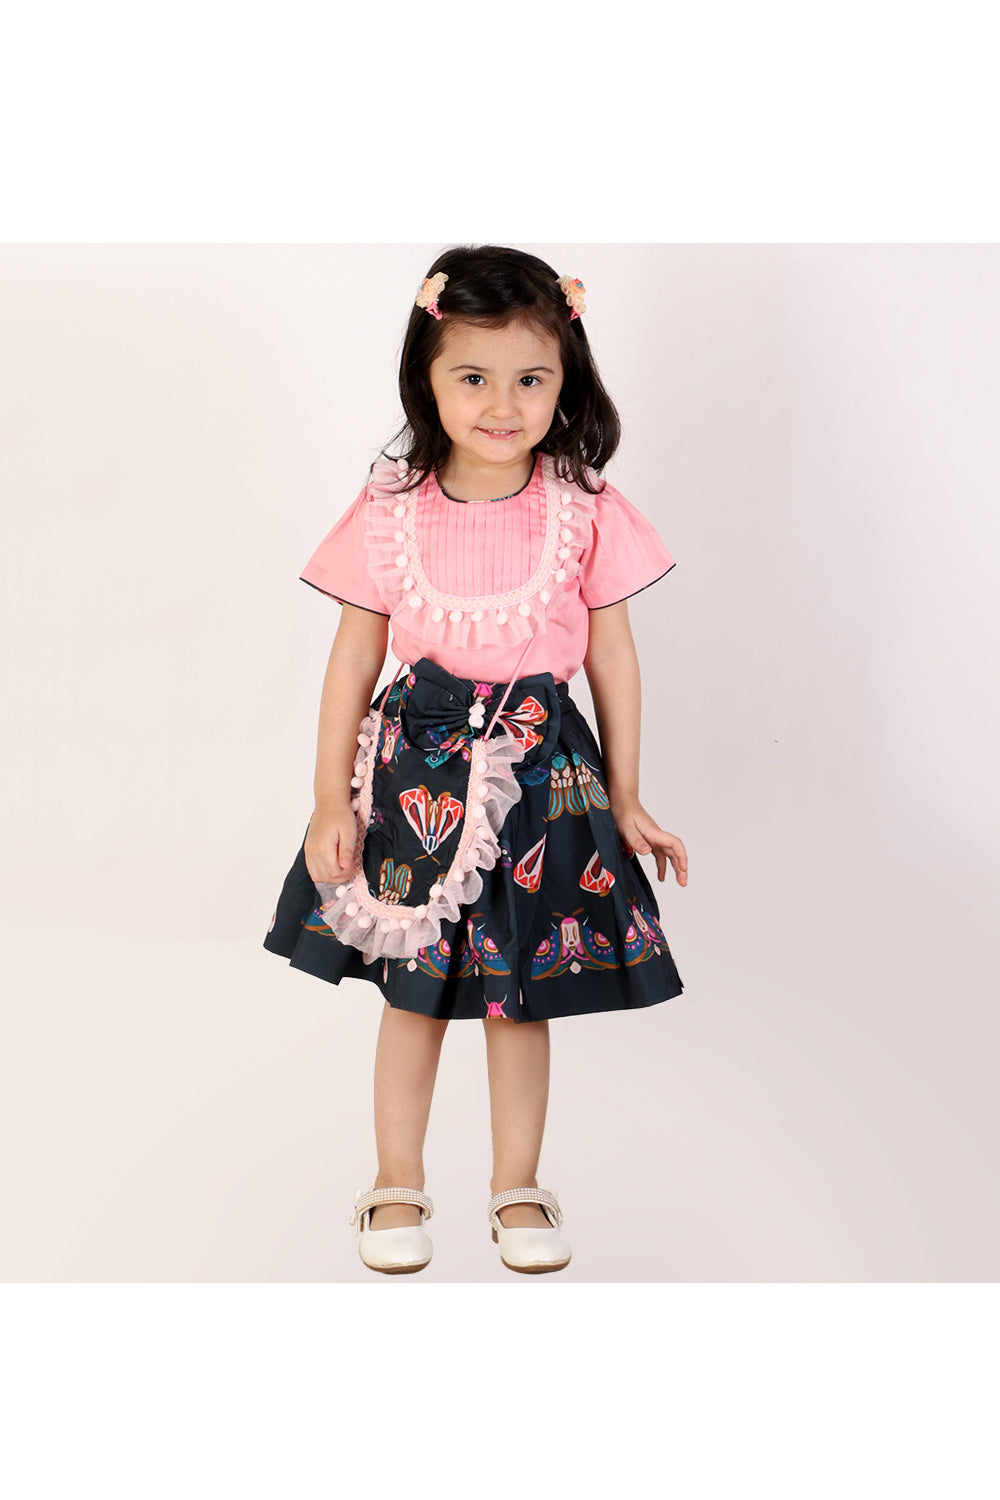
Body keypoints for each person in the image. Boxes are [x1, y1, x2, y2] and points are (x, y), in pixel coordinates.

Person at [263, 245, 689, 1276]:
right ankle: (394, 1181)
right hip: (413, 775)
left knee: (520, 994)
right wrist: (328, 797)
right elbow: (354, 656)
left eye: (530, 378)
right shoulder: (391, 508)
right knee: (413, 990)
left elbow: (614, 658)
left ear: (566, 378)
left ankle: (517, 1187)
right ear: (427, 376)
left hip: (545, 775)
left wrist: (628, 794)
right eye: (473, 377)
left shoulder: (582, 504)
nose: (503, 404)